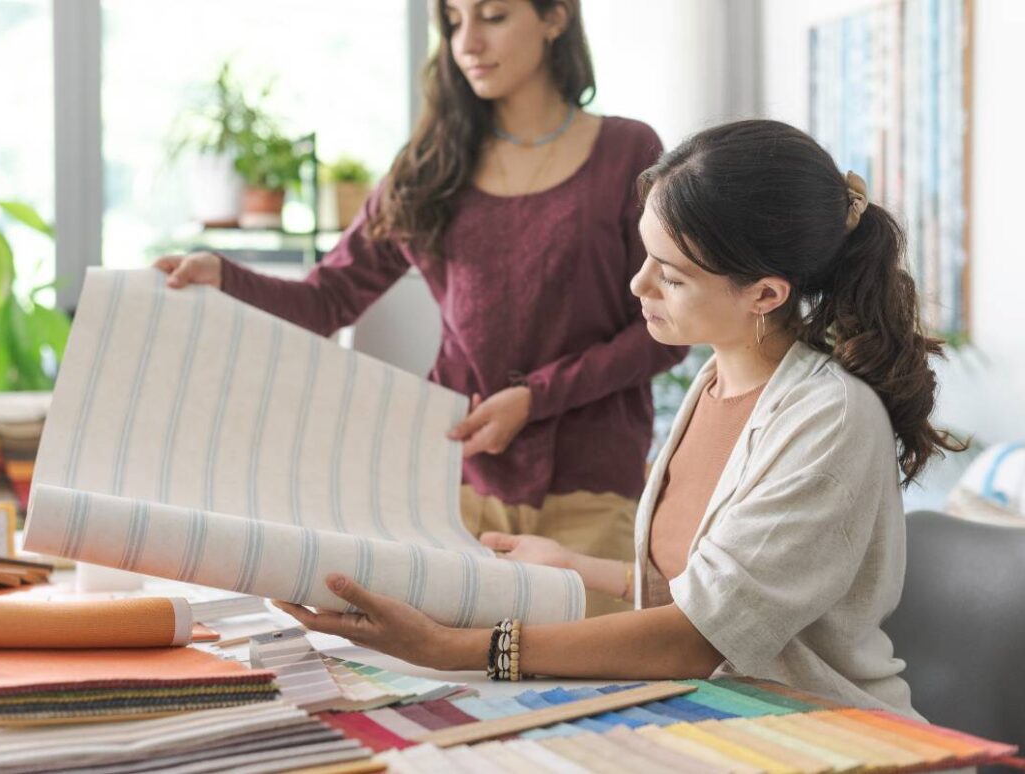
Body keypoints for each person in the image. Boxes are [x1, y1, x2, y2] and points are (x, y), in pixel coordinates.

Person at [271, 119, 965, 716]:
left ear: (765, 293)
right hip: (724, 718)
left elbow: (696, 637)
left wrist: (455, 648)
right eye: (645, 257)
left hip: (826, 733)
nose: (639, 286)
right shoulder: (719, 381)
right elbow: (712, 591)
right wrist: (578, 567)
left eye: (672, 274)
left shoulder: (829, 419)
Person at [156, 0, 686, 616]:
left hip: (591, 486)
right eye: (454, 22)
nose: (468, 43)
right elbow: (328, 300)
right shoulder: (430, 167)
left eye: (492, 16)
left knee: (591, 683)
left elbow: (665, 331)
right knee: (449, 685)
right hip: (447, 484)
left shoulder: (627, 152)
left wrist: (536, 398)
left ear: (554, 18)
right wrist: (225, 277)